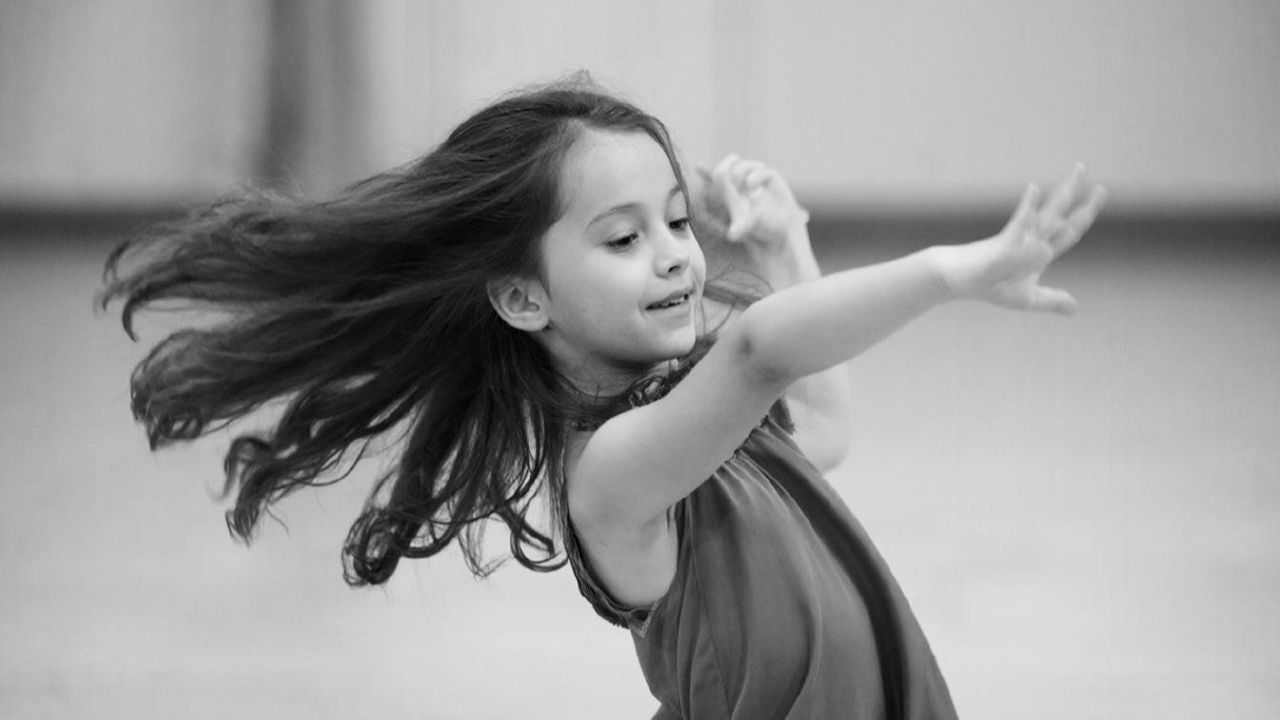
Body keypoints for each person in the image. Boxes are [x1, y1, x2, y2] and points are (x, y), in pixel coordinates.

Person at [100, 75, 1106, 719]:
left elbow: (823, 426)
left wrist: (784, 242)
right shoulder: (615, 474)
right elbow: (760, 351)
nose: (673, 255)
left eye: (677, 221)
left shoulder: (695, 411)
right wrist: (948, 271)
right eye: (624, 238)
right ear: (522, 297)